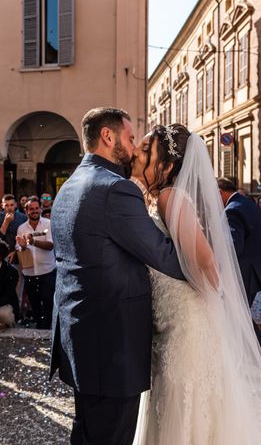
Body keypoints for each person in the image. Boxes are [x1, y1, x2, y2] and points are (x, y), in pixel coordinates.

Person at [131, 125, 261, 444]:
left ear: (166, 166)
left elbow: (207, 260)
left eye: (148, 152)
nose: (140, 155)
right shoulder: (162, 197)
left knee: (184, 398)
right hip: (173, 315)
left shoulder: (170, 196)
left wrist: (207, 293)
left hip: (185, 317)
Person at [50, 108, 187, 445]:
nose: (133, 146)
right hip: (111, 343)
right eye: (128, 138)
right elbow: (164, 256)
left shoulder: (71, 184)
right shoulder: (114, 188)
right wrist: (215, 269)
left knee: (87, 431)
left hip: (80, 334)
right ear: (107, 137)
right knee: (110, 436)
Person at [217, 177, 261, 386]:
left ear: (221, 192)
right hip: (253, 272)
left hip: (244, 273)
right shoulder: (246, 203)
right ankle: (254, 368)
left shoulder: (233, 210)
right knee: (238, 322)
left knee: (239, 322)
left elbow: (232, 247)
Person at [16, 197, 55, 330]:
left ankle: (48, 328)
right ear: (26, 211)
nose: (34, 211)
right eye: (31, 209)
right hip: (30, 272)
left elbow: (51, 245)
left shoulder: (48, 224)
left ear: (40, 209)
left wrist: (33, 242)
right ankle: (40, 327)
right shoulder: (21, 228)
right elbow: (19, 249)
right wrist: (22, 246)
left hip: (47, 270)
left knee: (48, 301)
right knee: (35, 303)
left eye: (36, 208)